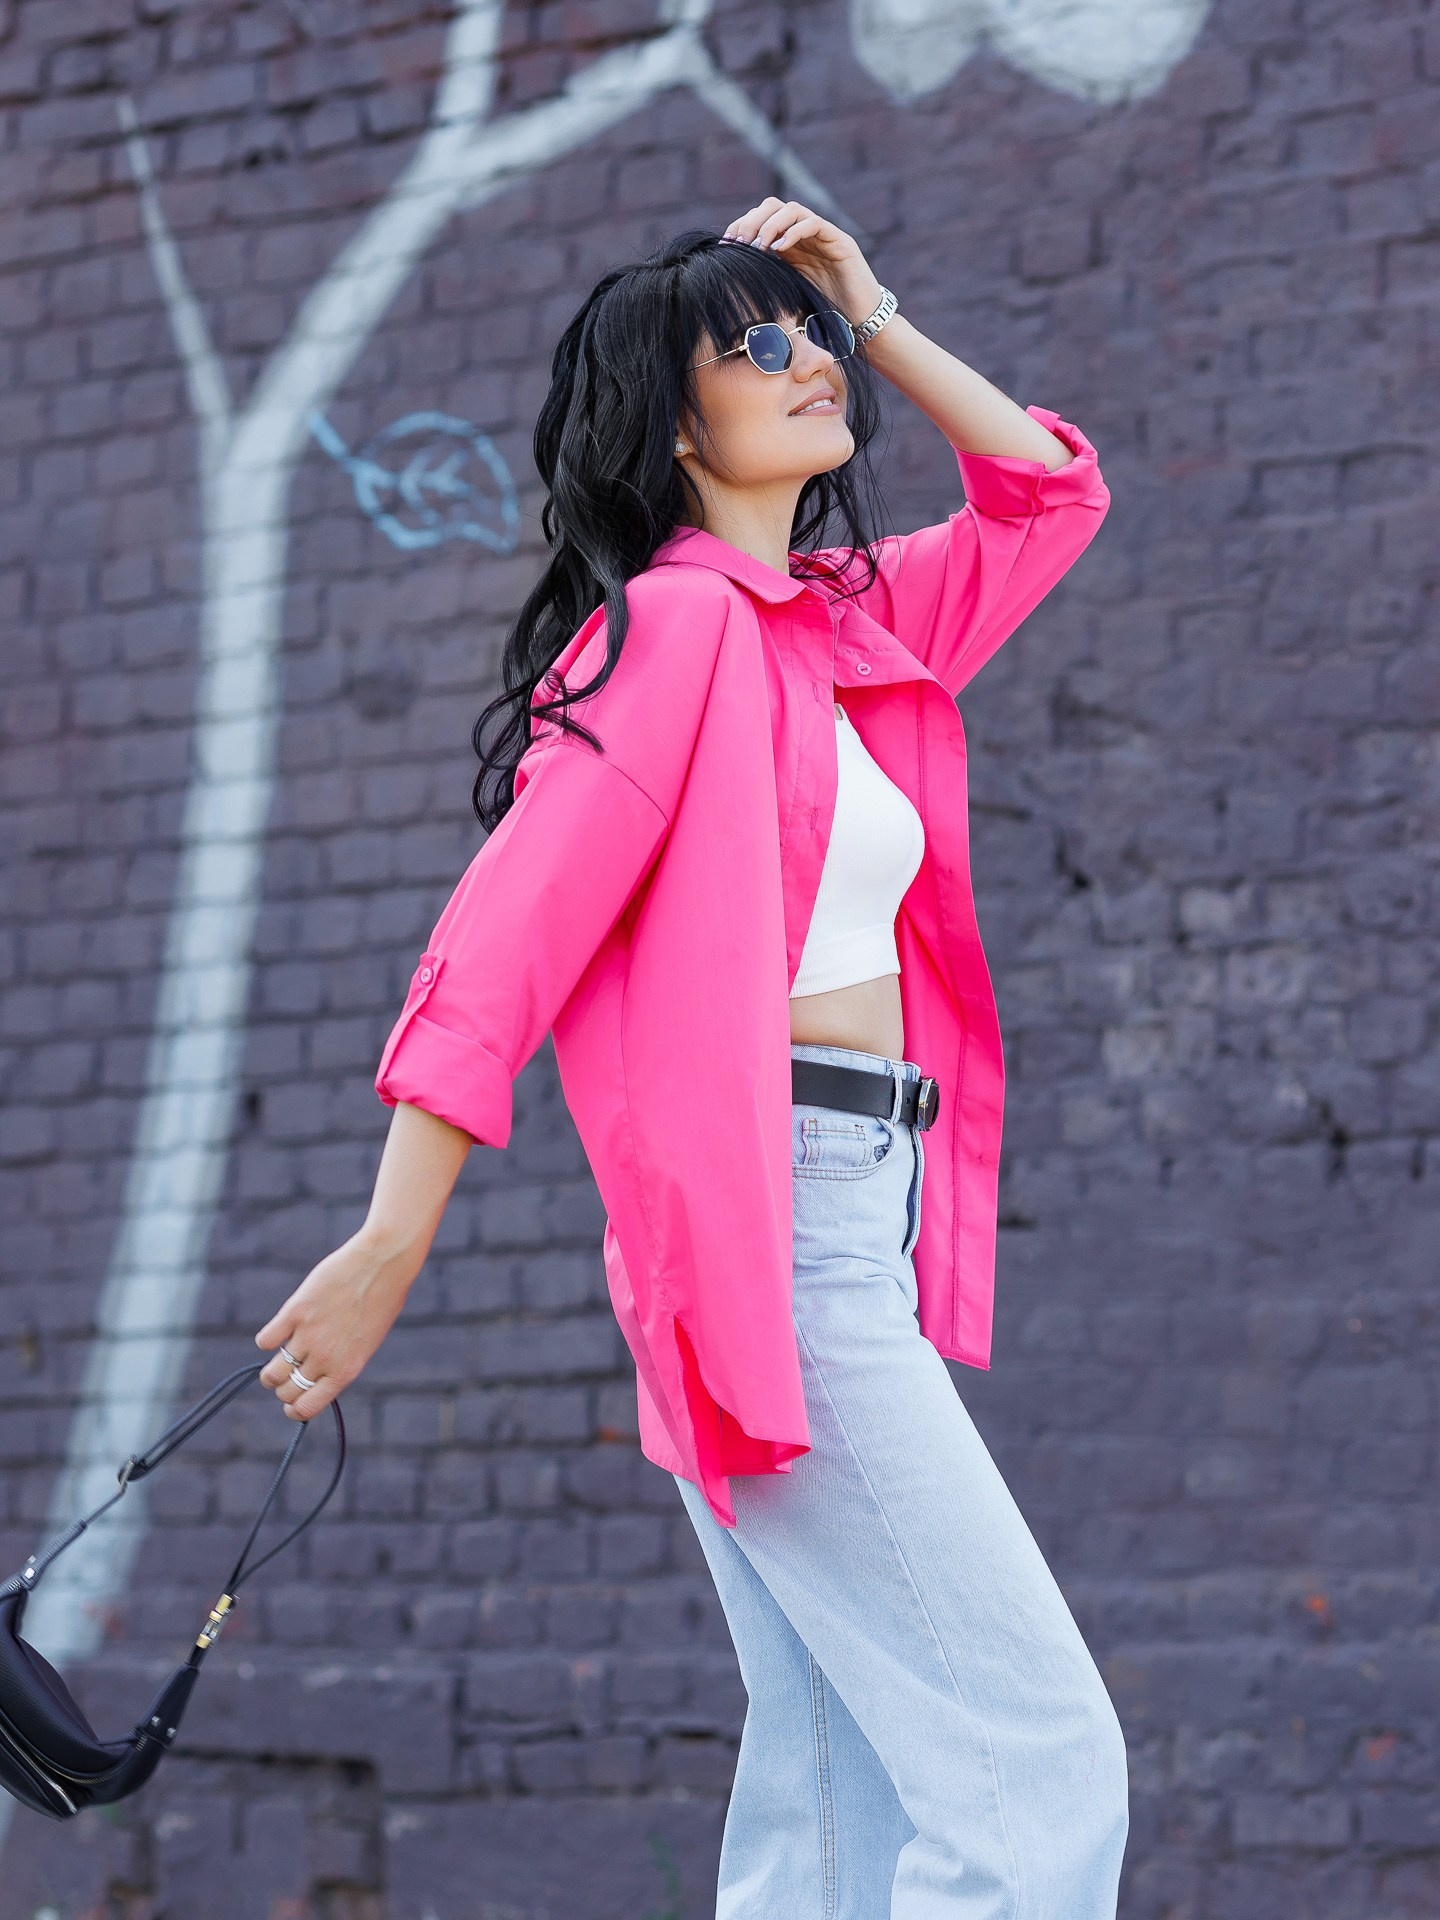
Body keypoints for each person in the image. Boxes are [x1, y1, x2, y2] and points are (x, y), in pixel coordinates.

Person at [255, 199, 1130, 1917]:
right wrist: (390, 1239)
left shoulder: (835, 622)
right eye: (760, 347)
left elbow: (1048, 496)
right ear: (673, 422)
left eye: (810, 338)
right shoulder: (674, 632)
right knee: (1033, 1769)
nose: (811, 365)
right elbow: (502, 939)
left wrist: (874, 306)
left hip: (842, 1222)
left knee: (835, 1793)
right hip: (779, 1241)